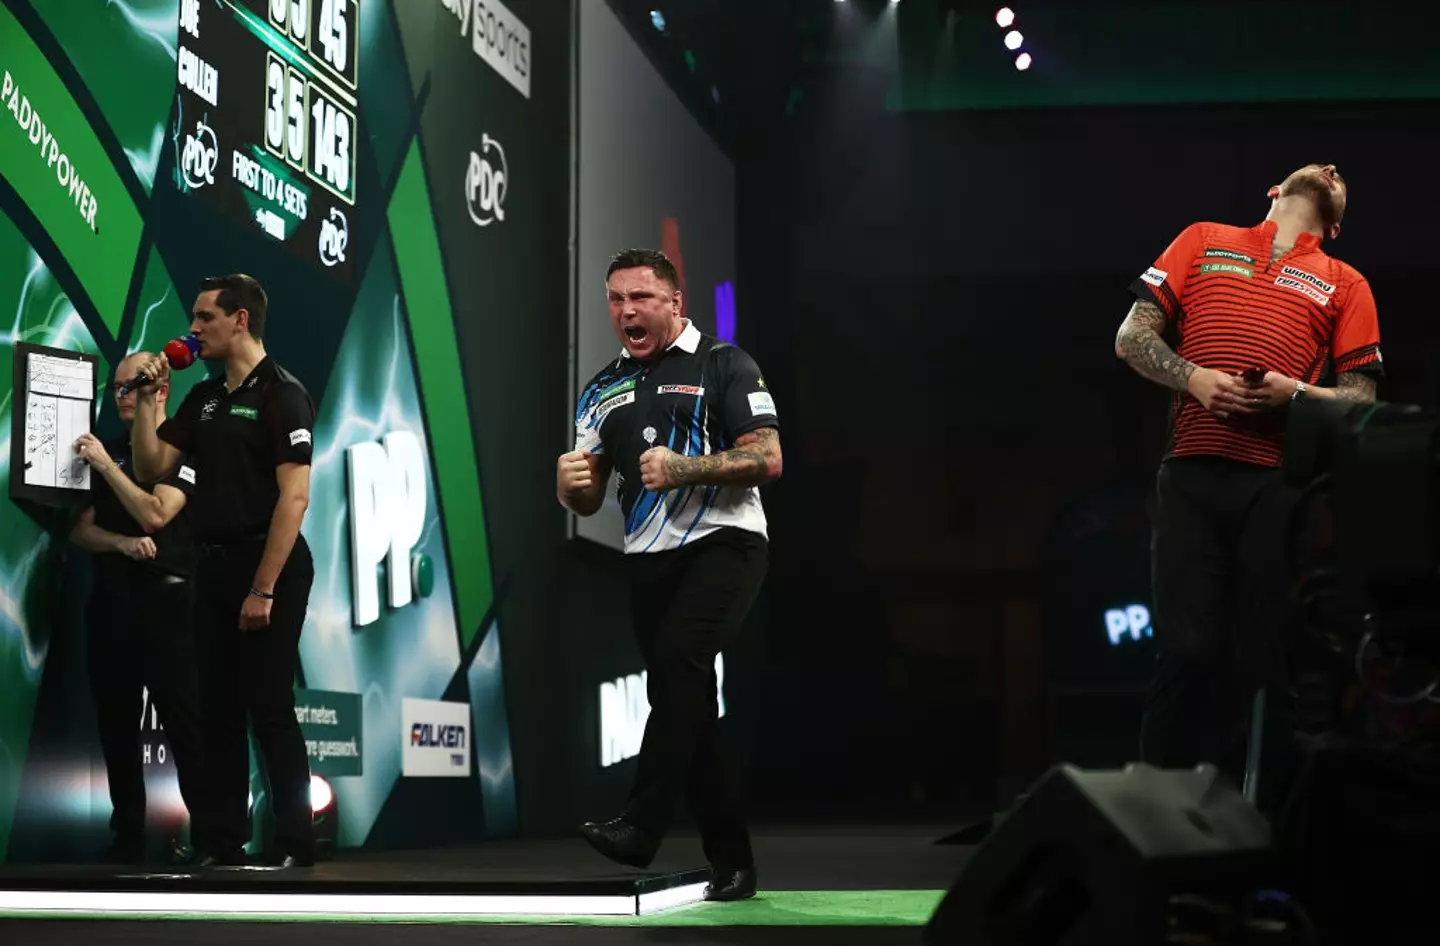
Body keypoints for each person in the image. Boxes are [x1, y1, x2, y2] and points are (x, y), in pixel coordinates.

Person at [1114, 163, 1383, 809]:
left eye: (1339, 175)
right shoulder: (1203, 238)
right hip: (1190, 478)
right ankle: (1160, 829)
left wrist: (1295, 394)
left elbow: (1361, 400)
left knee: (1268, 663)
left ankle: (1268, 836)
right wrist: (1192, 378)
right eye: (1318, 166)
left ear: (1337, 224)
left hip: (1275, 487)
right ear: (1272, 191)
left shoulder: (1346, 282)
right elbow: (1131, 337)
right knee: (1186, 651)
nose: (1332, 167)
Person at [560, 249, 782, 901]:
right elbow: (590, 495)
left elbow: (768, 457)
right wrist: (568, 486)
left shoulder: (724, 362)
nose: (627, 310)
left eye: (642, 298)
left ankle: (641, 824)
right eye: (616, 299)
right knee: (688, 705)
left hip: (727, 543)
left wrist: (684, 468)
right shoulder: (601, 388)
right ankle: (732, 863)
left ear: (675, 303)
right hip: (649, 559)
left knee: (682, 664)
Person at [130, 273, 317, 868]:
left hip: (272, 564)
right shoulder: (205, 397)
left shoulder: (281, 393)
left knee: (268, 703)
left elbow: (294, 500)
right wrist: (150, 402)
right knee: (216, 710)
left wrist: (263, 587)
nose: (193, 329)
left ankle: (296, 843)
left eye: (204, 317)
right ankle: (220, 840)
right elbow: (152, 462)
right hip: (211, 566)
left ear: (240, 320)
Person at [69, 352, 209, 864]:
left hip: (167, 604)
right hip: (111, 604)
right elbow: (80, 528)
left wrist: (106, 467)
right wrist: (118, 544)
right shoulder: (109, 448)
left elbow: (155, 514)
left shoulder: (182, 445)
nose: (122, 397)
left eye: (131, 387)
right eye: (118, 389)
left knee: (184, 723)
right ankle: (127, 836)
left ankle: (212, 838)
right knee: (116, 725)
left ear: (160, 388)